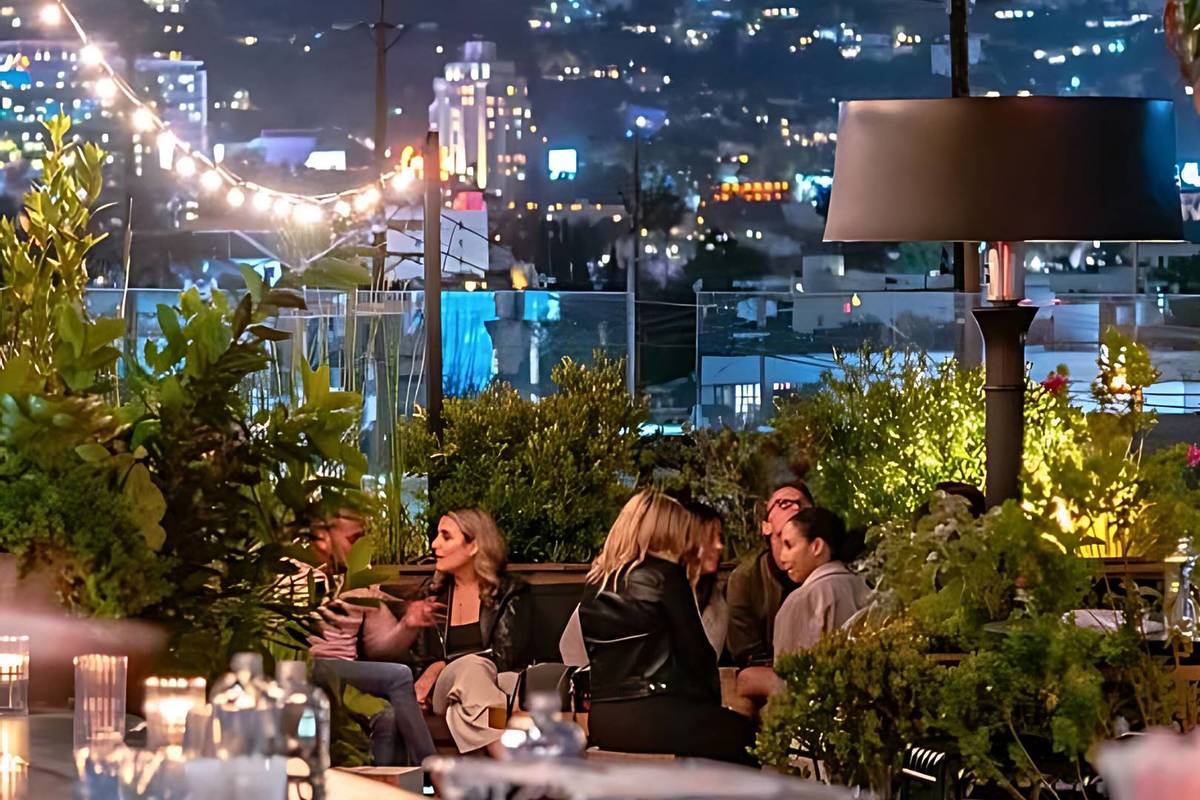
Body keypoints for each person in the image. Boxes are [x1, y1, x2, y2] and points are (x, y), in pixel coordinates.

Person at [578, 491, 757, 764]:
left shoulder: (595, 583)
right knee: (749, 739)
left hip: (604, 721)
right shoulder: (665, 576)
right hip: (657, 715)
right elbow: (697, 656)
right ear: (666, 530)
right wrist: (709, 705)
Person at [306, 511, 438, 767]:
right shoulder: (296, 573)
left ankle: (382, 790)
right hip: (306, 666)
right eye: (353, 539)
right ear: (323, 537)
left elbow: (381, 647)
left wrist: (409, 624)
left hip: (346, 675)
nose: (360, 547)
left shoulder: (361, 581)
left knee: (385, 714)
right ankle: (437, 773)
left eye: (364, 539)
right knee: (400, 676)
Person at [406, 509, 532, 755]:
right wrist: (436, 672)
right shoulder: (431, 596)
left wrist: (439, 667)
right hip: (444, 691)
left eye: (446, 536)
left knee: (463, 708)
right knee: (472, 669)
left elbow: (506, 659)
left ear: (473, 545)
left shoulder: (510, 592)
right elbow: (420, 664)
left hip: (494, 688)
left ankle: (472, 784)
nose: (434, 544)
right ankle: (510, 759)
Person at [725, 483, 813, 667]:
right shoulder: (745, 580)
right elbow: (746, 654)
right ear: (766, 526)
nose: (793, 507)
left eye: (800, 504)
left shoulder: (832, 575)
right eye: (782, 503)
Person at [773, 506, 872, 657]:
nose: (782, 557)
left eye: (789, 545)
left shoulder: (802, 599)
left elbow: (786, 669)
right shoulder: (862, 585)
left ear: (817, 546)